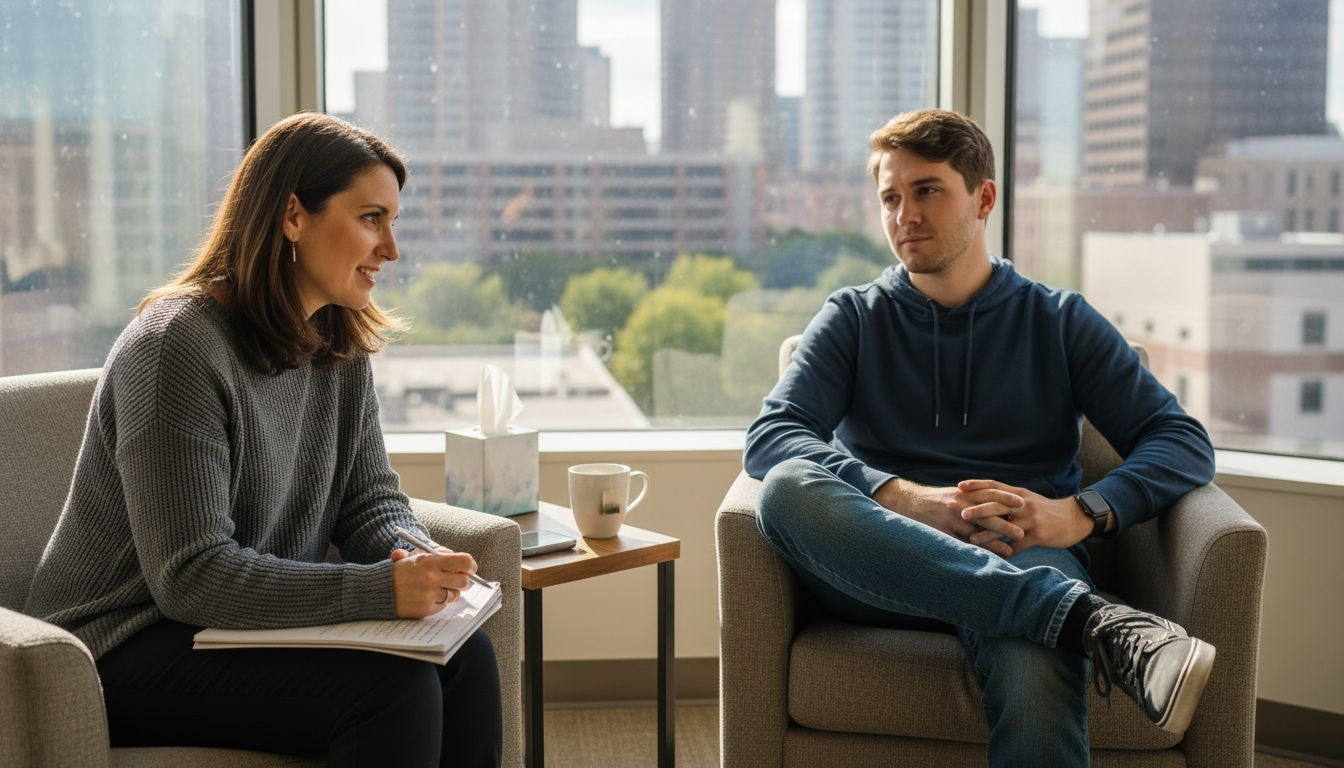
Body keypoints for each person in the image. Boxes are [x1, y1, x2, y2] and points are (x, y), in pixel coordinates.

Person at [24, 112, 501, 768]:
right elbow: (190, 577)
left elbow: (368, 504)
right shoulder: (178, 347)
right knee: (393, 691)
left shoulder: (337, 338)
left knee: (468, 656)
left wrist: (419, 562)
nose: (392, 249)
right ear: (293, 217)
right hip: (120, 644)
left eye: (394, 221)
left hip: (230, 629)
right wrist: (377, 592)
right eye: (370, 218)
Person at [743, 108, 1217, 767]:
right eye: (890, 197)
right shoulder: (852, 318)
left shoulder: (1059, 321)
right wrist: (908, 499)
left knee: (1035, 662)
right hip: (878, 562)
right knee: (786, 491)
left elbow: (1181, 440)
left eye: (927, 190)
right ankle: (1090, 624)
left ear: (983, 197)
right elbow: (773, 436)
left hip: (1021, 554)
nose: (904, 214)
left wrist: (1079, 514)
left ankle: (1054, 615)